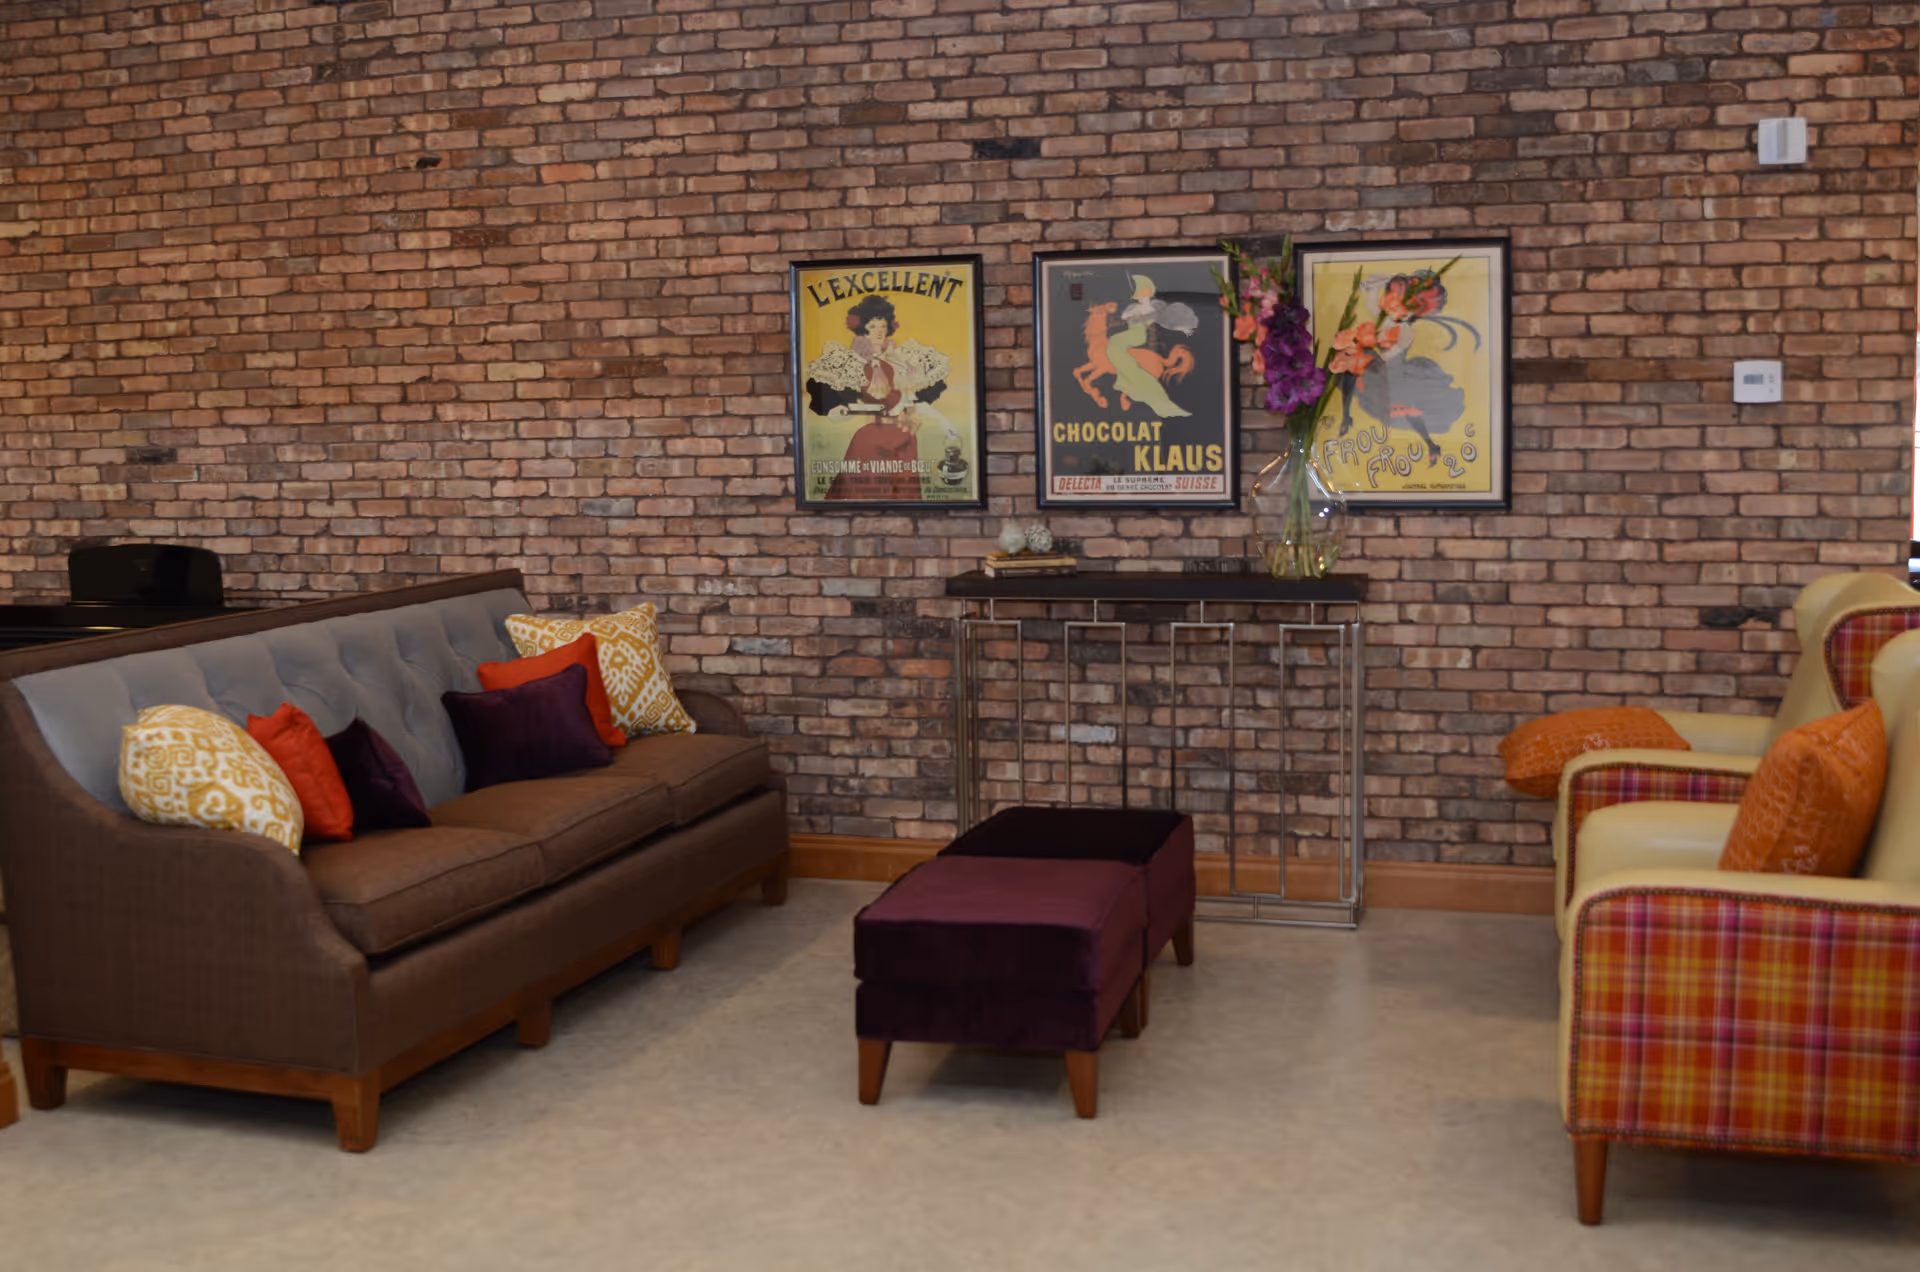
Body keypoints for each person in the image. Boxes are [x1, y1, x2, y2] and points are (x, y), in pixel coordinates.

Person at [803, 295, 956, 501]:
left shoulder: (900, 362)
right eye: (873, 325)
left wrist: (943, 420)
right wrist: (839, 413)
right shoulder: (852, 364)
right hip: (871, 440)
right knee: (863, 497)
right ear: (863, 328)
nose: (879, 331)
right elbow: (836, 412)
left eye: (882, 325)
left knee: (903, 499)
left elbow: (913, 401)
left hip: (904, 438)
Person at [1102, 274, 1196, 418]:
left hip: (1137, 336)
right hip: (1126, 336)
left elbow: (1165, 322)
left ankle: (1141, 385)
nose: (1141, 299)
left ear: (1148, 295)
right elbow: (1123, 316)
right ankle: (1129, 374)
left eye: (1143, 296)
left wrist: (1182, 328)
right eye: (1139, 297)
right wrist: (1133, 312)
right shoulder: (1134, 306)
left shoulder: (1152, 310)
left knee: (1114, 344)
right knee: (1113, 344)